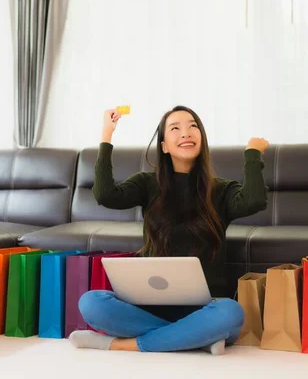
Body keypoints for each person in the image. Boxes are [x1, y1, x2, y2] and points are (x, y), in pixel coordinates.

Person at [69, 105, 269, 355]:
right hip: (150, 305)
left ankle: (123, 344)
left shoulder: (221, 190)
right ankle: (196, 337)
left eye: (193, 126)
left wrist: (252, 154)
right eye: (175, 128)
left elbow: (254, 200)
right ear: (164, 145)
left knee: (231, 313)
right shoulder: (147, 183)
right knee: (91, 303)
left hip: (206, 308)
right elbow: (105, 195)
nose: (186, 133)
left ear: (202, 140)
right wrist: (106, 134)